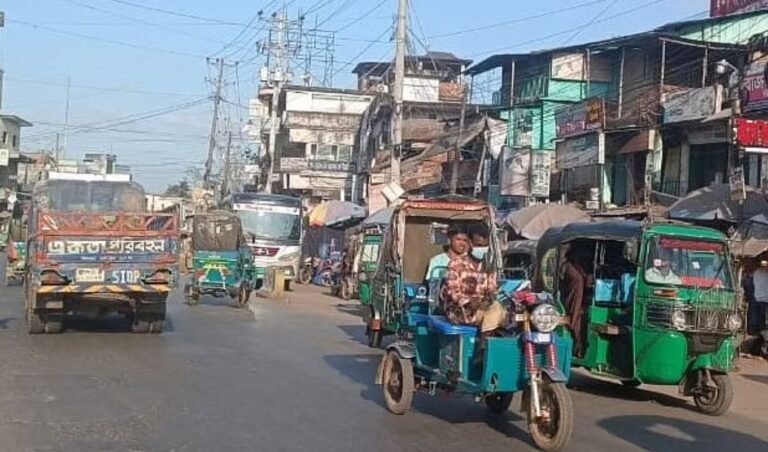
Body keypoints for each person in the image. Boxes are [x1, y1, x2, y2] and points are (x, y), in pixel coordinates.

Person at [563, 245, 591, 358]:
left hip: (579, 304)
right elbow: (575, 299)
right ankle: (579, 350)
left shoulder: (578, 270)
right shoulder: (573, 274)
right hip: (573, 306)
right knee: (580, 319)